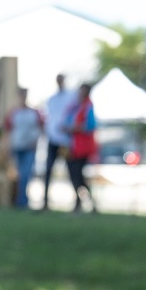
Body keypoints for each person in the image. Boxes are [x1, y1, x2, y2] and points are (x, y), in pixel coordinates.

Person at [41, 74, 78, 211]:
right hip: (53, 139)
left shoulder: (71, 97)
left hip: (66, 140)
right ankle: (45, 201)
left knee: (72, 171)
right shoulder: (52, 99)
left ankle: (78, 201)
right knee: (48, 170)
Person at [3, 87, 43, 209]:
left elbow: (41, 128)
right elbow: (7, 130)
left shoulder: (34, 113)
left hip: (29, 147)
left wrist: (36, 141)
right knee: (20, 174)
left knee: (26, 173)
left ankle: (22, 200)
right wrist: (7, 146)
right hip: (17, 146)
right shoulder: (14, 113)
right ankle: (21, 199)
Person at [65, 82, 98, 213]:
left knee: (77, 176)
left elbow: (90, 126)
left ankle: (83, 202)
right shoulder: (76, 106)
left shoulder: (88, 106)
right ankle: (81, 202)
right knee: (74, 176)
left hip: (83, 147)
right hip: (73, 146)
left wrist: (75, 128)